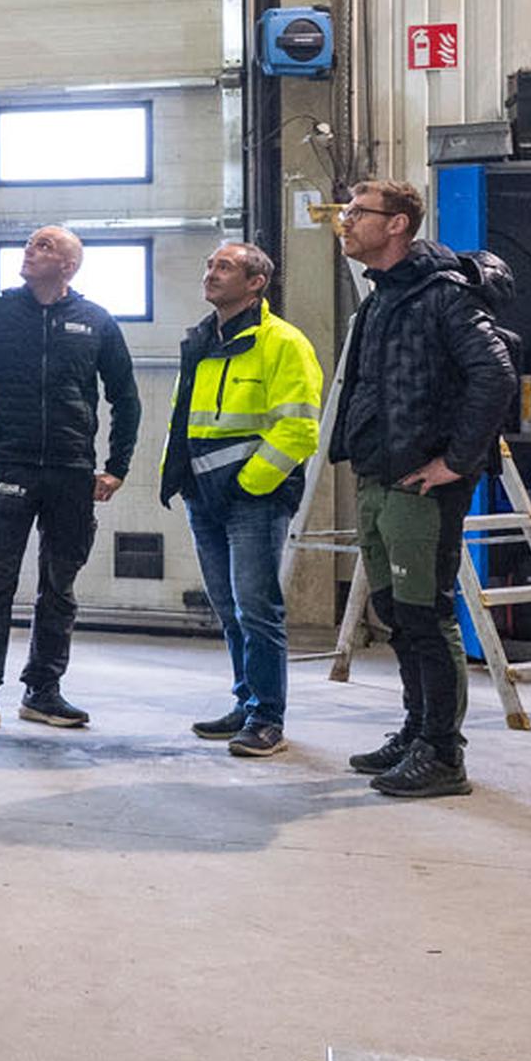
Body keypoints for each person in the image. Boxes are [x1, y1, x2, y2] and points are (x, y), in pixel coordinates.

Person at [325, 178, 518, 800]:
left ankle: (443, 754)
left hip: (421, 484)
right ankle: (416, 730)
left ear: (398, 224)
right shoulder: (382, 298)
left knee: (425, 616)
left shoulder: (443, 295)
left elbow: (494, 374)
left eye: (359, 213)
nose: (346, 222)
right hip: (380, 475)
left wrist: (456, 462)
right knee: (394, 615)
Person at [0, 225, 141, 736]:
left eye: (45, 246)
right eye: (30, 244)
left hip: (72, 473)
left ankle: (43, 691)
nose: (31, 251)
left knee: (59, 587)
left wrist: (117, 466)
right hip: (10, 469)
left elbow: (126, 397)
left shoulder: (96, 323)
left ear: (69, 265)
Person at [159, 241, 323, 758]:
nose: (211, 273)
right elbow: (187, 419)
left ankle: (267, 717)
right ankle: (246, 700)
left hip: (254, 500)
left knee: (258, 610)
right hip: (203, 498)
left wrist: (248, 485)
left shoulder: (283, 342)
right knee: (228, 609)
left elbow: (298, 430)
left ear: (256, 283)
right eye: (209, 264)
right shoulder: (203, 340)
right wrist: (179, 477)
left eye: (224, 267)